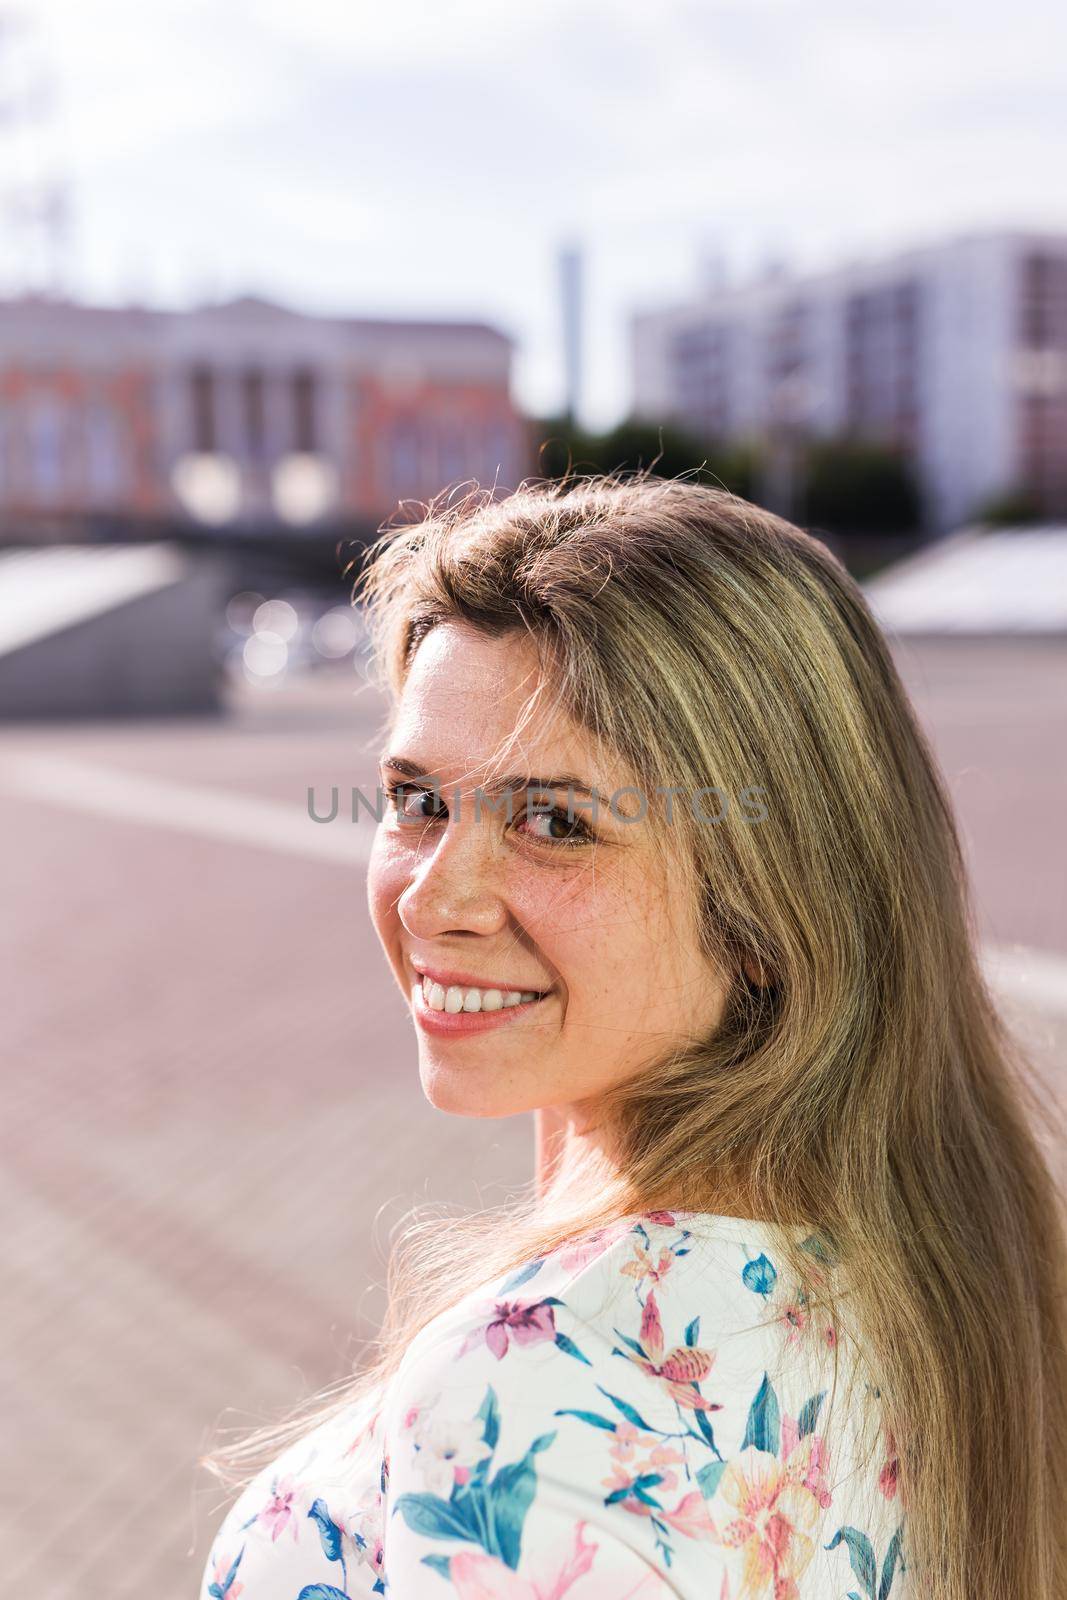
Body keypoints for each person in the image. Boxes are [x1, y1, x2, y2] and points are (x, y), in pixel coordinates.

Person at [197, 474, 1067, 1600]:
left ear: (766, 911)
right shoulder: (960, 1286)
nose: (431, 898)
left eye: (553, 820)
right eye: (416, 799)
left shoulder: (542, 1381)